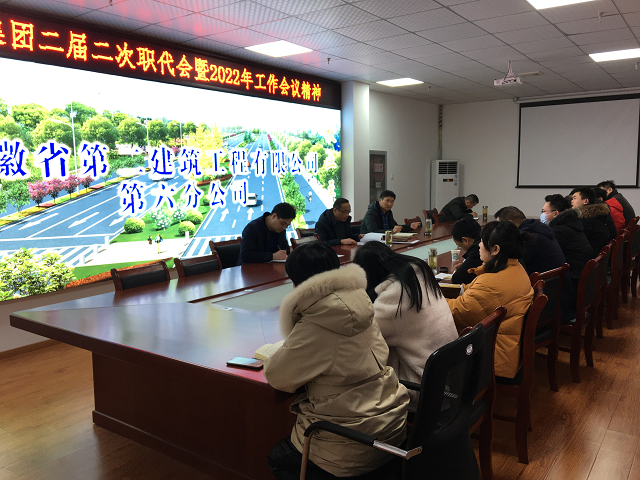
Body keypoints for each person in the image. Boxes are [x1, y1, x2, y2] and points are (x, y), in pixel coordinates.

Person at [265, 243, 409, 479]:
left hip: (349, 443)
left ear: (296, 283)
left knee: (278, 458)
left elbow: (278, 377)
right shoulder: (360, 303)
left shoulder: (317, 322)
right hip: (390, 426)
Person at [352, 242, 458, 405]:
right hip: (446, 376)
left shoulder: (396, 298)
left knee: (352, 380)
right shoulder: (418, 275)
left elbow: (362, 337)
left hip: (423, 386)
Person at [446, 221, 534, 379]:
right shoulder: (514, 268)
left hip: (492, 358)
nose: (479, 245)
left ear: (495, 249)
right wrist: (442, 290)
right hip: (505, 348)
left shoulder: (492, 284)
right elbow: (472, 290)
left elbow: (458, 312)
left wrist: (430, 299)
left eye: (482, 241)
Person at [544, 194, 592, 322]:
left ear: (555, 213)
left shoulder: (560, 231)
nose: (542, 214)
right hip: (579, 277)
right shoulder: (571, 224)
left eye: (544, 211)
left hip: (571, 283)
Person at [494, 206, 566, 276]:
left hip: (541, 282)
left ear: (510, 224)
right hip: (553, 281)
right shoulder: (538, 229)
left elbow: (515, 265)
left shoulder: (527, 237)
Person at [570, 187, 615, 254]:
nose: (572, 201)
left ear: (585, 201)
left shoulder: (586, 220)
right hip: (598, 254)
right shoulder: (595, 215)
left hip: (591, 256)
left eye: (574, 198)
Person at [450, 216, 483, 285]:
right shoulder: (484, 239)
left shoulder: (477, 249)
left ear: (465, 240)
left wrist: (463, 269)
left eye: (459, 245)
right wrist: (465, 265)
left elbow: (457, 279)